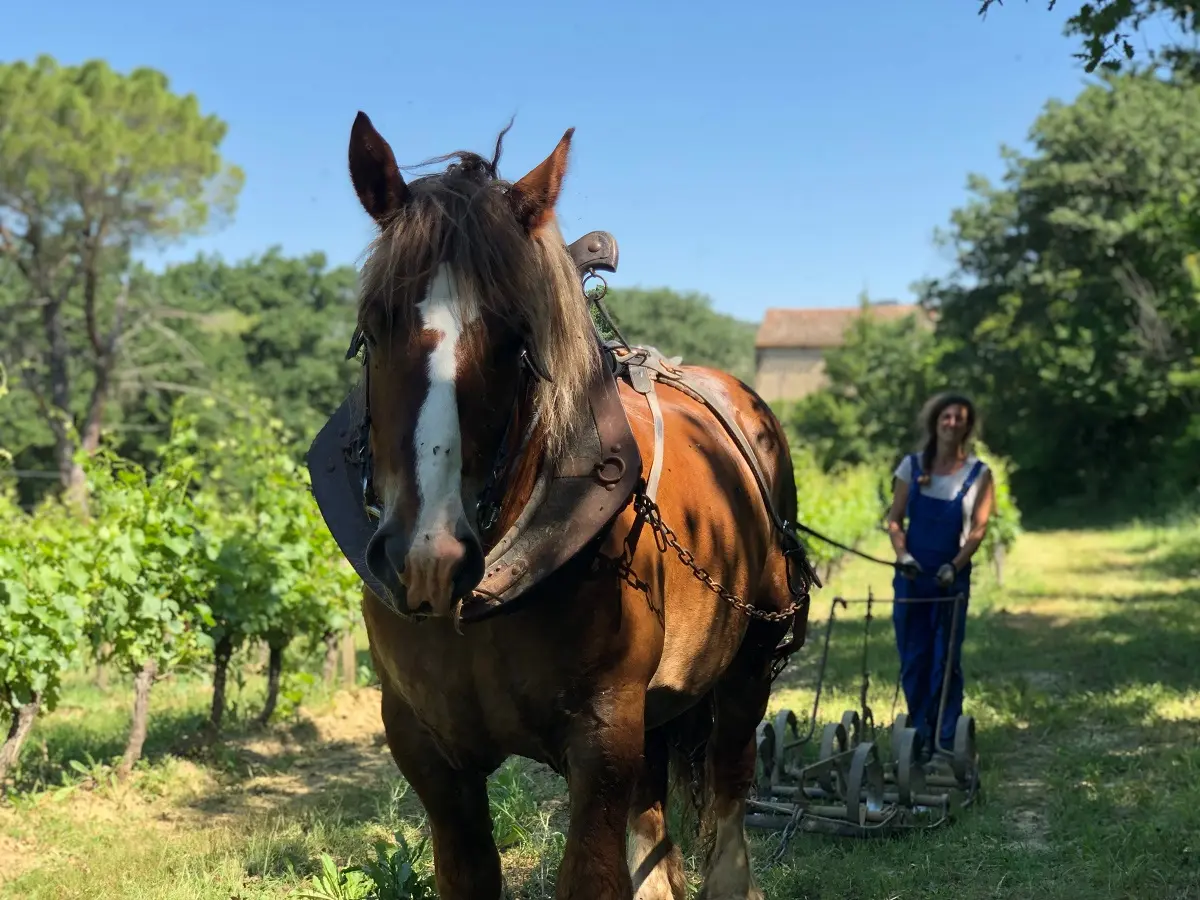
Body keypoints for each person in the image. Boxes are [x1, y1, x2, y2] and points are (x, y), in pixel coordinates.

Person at [885, 392, 995, 758]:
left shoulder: (979, 474)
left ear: (967, 427)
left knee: (945, 659)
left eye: (959, 418)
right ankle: (919, 733)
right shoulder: (912, 467)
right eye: (946, 416)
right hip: (912, 577)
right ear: (936, 421)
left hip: (951, 578)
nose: (952, 423)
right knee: (914, 657)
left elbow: (978, 529)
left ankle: (946, 739)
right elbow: (895, 519)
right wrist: (904, 556)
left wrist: (955, 564)